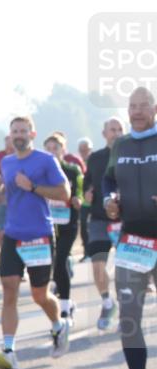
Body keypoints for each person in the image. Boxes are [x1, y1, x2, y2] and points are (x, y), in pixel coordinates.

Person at [0, 116, 72, 369]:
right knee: (9, 290)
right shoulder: (7, 162)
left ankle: (59, 326)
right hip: (13, 234)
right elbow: (10, 188)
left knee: (39, 294)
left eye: (23, 131)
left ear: (32, 134)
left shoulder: (46, 160)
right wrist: (0, 194)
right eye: (15, 131)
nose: (19, 135)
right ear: (10, 135)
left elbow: (64, 193)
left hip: (39, 235)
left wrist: (34, 186)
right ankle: (8, 351)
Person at [103, 86, 157, 369]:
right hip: (133, 241)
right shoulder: (120, 145)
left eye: (142, 105)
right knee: (129, 319)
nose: (136, 111)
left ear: (154, 108)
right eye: (132, 106)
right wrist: (110, 201)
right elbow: (109, 180)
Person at [82, 117, 125, 330]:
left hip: (126, 220)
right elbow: (88, 181)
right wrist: (86, 193)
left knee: (126, 270)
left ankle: (127, 310)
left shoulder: (131, 154)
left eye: (119, 129)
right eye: (112, 130)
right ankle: (108, 302)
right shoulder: (95, 158)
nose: (116, 133)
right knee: (97, 265)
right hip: (99, 219)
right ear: (104, 134)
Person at [42, 133, 84, 326]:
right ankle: (66, 301)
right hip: (48, 225)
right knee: (54, 264)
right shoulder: (41, 172)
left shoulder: (73, 170)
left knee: (59, 262)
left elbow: (80, 194)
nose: (52, 152)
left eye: (55, 148)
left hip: (68, 224)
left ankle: (65, 306)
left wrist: (77, 200)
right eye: (48, 149)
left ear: (63, 150)